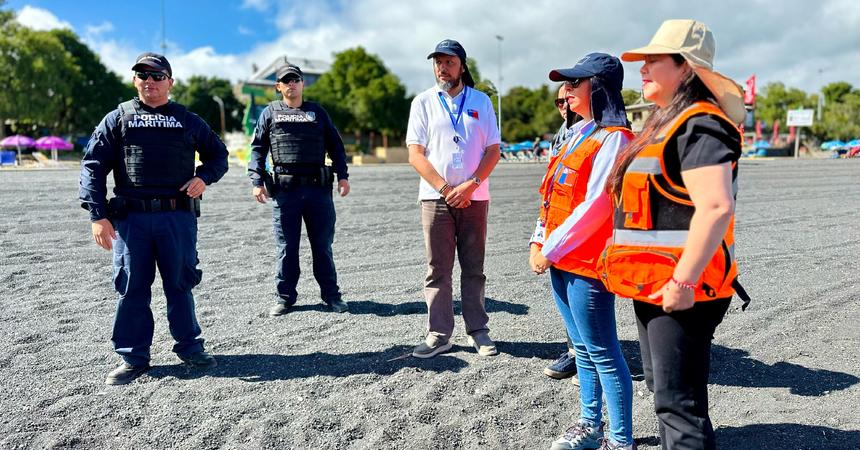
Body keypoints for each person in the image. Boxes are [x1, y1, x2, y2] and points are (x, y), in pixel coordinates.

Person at [601, 19, 751, 449]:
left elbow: (716, 205)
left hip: (685, 289)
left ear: (686, 68)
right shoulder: (666, 123)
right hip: (654, 284)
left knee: (678, 406)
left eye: (653, 60)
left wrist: (683, 281)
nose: (642, 68)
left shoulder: (700, 124)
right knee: (664, 393)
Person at [79, 52, 229, 385]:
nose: (150, 81)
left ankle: (190, 348)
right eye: (142, 75)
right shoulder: (118, 118)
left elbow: (219, 155)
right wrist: (97, 214)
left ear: (170, 82)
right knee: (132, 287)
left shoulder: (187, 119)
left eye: (158, 76)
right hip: (132, 221)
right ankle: (133, 357)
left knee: (180, 284)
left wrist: (204, 176)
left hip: (177, 219)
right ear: (135, 81)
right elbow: (92, 166)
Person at [529, 53, 636, 450]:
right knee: (583, 351)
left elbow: (597, 207)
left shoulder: (616, 139)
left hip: (587, 266)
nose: (568, 90)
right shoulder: (579, 134)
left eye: (577, 83)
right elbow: (552, 195)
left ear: (600, 88)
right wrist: (537, 241)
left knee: (605, 354)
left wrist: (550, 248)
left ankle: (621, 441)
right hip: (560, 260)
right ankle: (590, 425)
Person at [406, 39, 501, 358]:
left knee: (474, 267)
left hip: (476, 196)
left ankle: (479, 331)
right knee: (438, 268)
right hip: (435, 199)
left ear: (462, 65)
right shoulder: (422, 102)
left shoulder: (481, 101)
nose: (442, 68)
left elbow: (493, 150)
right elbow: (415, 154)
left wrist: (471, 185)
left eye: (448, 62)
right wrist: (447, 189)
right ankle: (439, 334)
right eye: (437, 62)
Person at [248, 63, 350, 316]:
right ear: (278, 86)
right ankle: (285, 298)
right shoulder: (270, 113)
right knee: (287, 248)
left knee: (322, 246)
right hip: (285, 192)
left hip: (318, 191)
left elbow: (336, 147)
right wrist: (256, 181)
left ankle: (331, 296)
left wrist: (343, 177)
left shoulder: (317, 112)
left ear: (303, 84)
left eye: (296, 79)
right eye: (286, 80)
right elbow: (258, 149)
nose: (291, 84)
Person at [542, 83, 578, 381]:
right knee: (565, 290)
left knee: (585, 293)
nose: (564, 106)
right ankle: (575, 351)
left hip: (585, 227)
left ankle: (589, 355)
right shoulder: (560, 135)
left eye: (569, 99)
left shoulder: (605, 133)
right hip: (559, 223)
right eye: (560, 102)